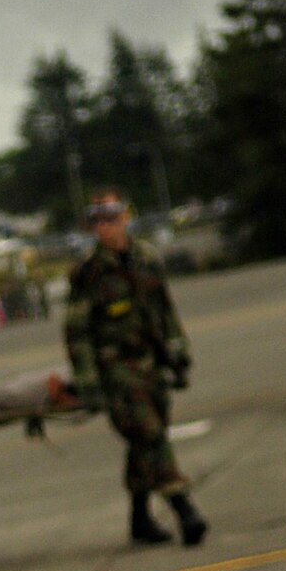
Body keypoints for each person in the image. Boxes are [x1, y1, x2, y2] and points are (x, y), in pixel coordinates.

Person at [63, 188, 210, 546]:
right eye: (97, 222)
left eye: (110, 219)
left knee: (146, 439)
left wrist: (177, 348)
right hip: (116, 370)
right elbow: (77, 331)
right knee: (150, 434)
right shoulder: (89, 272)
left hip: (150, 363)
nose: (104, 228)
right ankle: (184, 509)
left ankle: (140, 519)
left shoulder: (146, 258)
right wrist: (88, 381)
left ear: (125, 218)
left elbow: (164, 309)